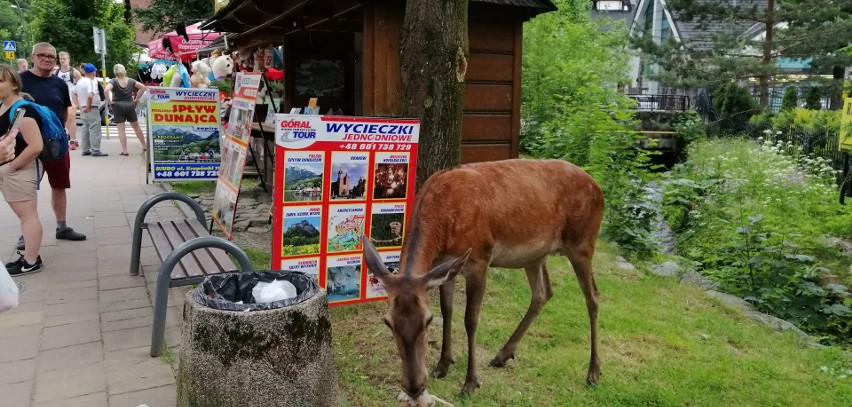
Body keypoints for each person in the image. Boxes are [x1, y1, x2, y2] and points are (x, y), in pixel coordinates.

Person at [19, 42, 87, 249]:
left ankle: (62, 227)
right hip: (27, 144)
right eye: (42, 55)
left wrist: (63, 134)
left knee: (59, 184)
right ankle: (26, 233)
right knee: (27, 188)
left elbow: (65, 110)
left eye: (51, 57)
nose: (47, 59)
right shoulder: (20, 81)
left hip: (55, 143)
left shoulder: (59, 83)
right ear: (32, 57)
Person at [0, 64, 45, 275]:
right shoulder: (5, 107)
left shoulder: (22, 111)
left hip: (20, 170)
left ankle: (30, 261)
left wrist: (10, 168)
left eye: (1, 81)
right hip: (13, 170)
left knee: (28, 216)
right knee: (24, 216)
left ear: (14, 84)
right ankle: (30, 255)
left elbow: (36, 146)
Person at [105, 64, 147, 156]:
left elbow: (106, 90)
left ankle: (124, 150)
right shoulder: (131, 80)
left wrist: (109, 101)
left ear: (115, 71)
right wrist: (136, 99)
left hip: (118, 105)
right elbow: (143, 87)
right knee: (136, 127)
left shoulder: (113, 81)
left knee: (121, 129)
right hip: (130, 104)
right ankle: (144, 146)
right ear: (124, 70)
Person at [75, 63, 106, 157]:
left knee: (85, 128)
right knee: (94, 128)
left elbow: (73, 93)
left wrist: (78, 105)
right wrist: (88, 106)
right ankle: (95, 150)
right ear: (93, 72)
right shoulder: (91, 82)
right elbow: (90, 95)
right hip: (91, 108)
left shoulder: (80, 81)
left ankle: (85, 149)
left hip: (82, 107)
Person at [55, 51, 80, 150]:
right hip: (60, 99)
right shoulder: (56, 72)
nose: (62, 61)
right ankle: (72, 137)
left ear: (68, 59)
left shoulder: (74, 72)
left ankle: (72, 140)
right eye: (61, 59)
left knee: (71, 117)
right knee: (64, 119)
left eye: (64, 59)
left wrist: (79, 100)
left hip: (71, 98)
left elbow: (81, 85)